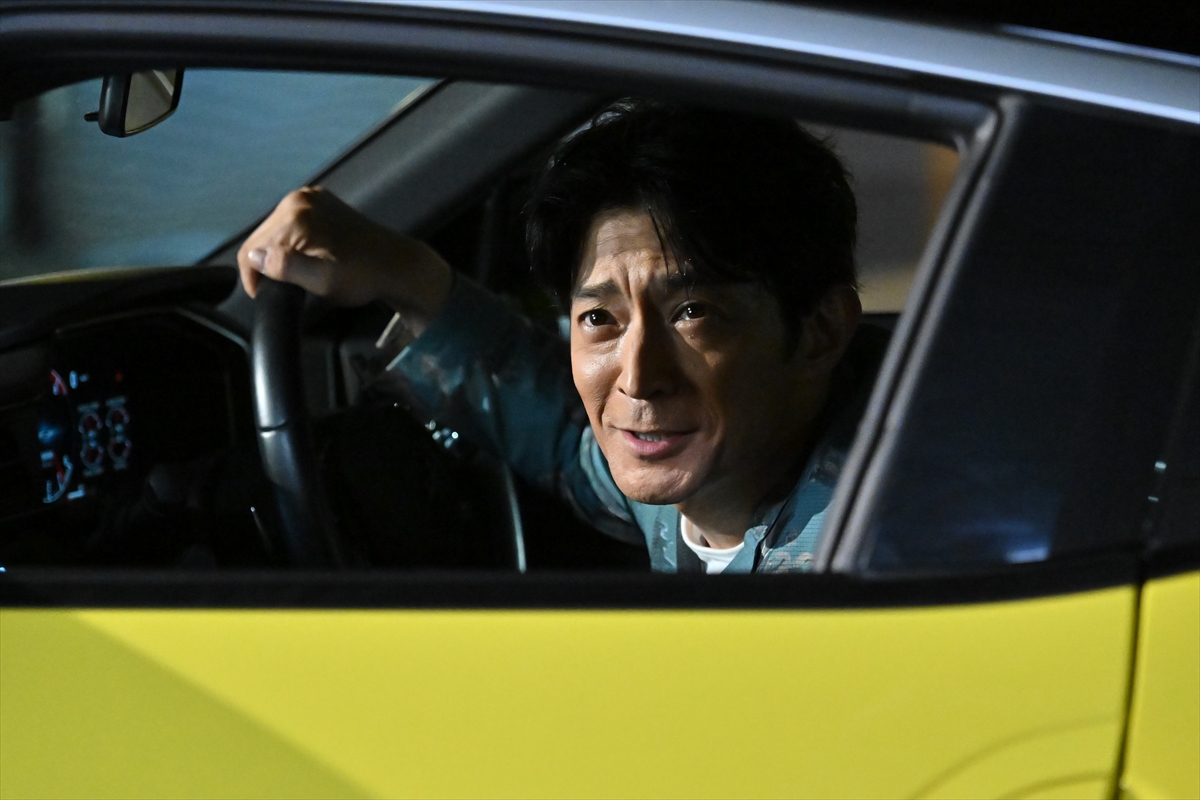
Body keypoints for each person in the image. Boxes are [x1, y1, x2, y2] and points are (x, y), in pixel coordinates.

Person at [237, 101, 885, 574]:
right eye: (600, 319)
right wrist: (401, 270)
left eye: (692, 313)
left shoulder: (874, 555)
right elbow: (566, 445)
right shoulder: (696, 461)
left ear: (819, 332)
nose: (638, 378)